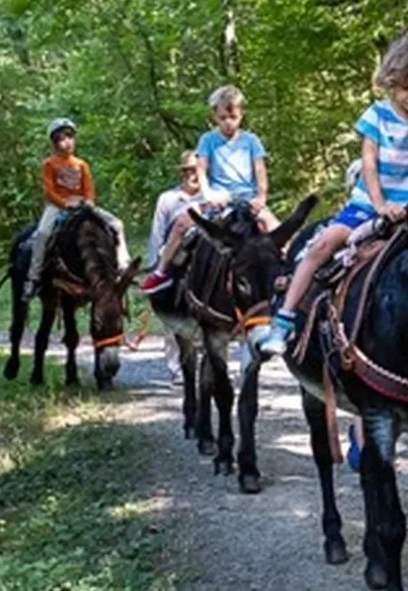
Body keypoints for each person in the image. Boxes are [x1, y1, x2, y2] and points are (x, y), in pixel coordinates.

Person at [260, 36, 408, 356]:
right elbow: (369, 163)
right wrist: (380, 206)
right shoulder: (376, 115)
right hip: (368, 204)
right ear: (392, 81)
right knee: (323, 244)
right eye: (406, 87)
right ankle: (284, 319)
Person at [140, 85, 276, 294]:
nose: (228, 122)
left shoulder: (251, 141)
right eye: (222, 118)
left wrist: (261, 196)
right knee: (182, 223)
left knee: (273, 226)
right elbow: (202, 168)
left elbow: (260, 170)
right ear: (215, 115)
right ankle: (161, 271)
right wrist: (208, 193)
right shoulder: (208, 140)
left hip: (247, 198)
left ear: (241, 114)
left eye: (233, 117)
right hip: (218, 197)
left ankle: (287, 268)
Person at [24, 118, 129, 301]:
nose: (68, 142)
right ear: (55, 142)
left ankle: (123, 262)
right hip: (57, 205)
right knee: (42, 234)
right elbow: (49, 190)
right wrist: (65, 204)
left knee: (116, 224)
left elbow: (88, 187)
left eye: (70, 137)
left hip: (81, 203)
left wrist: (89, 201)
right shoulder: (49, 164)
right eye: (62, 138)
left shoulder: (81, 164)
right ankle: (34, 277)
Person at [147, 151, 202, 383]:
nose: (193, 174)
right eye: (188, 170)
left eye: (197, 169)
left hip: (202, 259)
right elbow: (158, 232)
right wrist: (156, 266)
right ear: (182, 173)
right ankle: (176, 367)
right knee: (172, 314)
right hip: (174, 259)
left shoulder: (212, 197)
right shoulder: (168, 199)